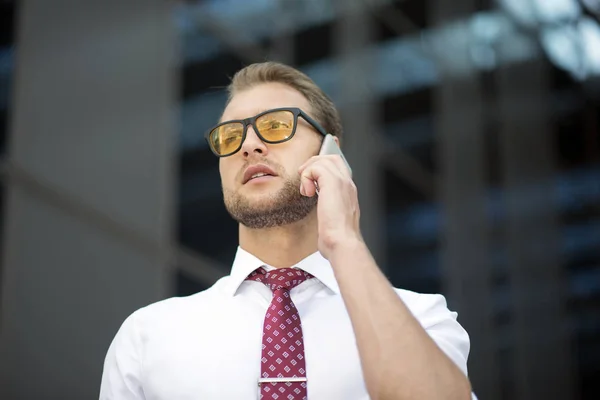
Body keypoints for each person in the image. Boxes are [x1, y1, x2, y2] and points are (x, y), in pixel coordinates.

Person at [99, 61, 476, 400]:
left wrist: (343, 241)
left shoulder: (420, 317)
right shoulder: (148, 336)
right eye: (229, 137)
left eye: (276, 125)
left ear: (331, 152)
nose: (248, 146)